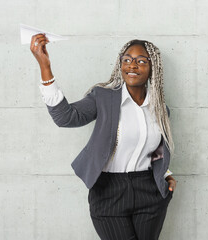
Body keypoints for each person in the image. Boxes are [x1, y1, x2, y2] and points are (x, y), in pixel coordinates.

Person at [30, 33, 177, 240]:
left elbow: (154, 151)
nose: (132, 66)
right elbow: (65, 118)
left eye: (141, 61)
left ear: (153, 68)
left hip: (149, 192)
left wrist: (165, 173)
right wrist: (45, 67)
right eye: (127, 60)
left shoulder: (160, 109)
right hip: (109, 191)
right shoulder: (103, 97)